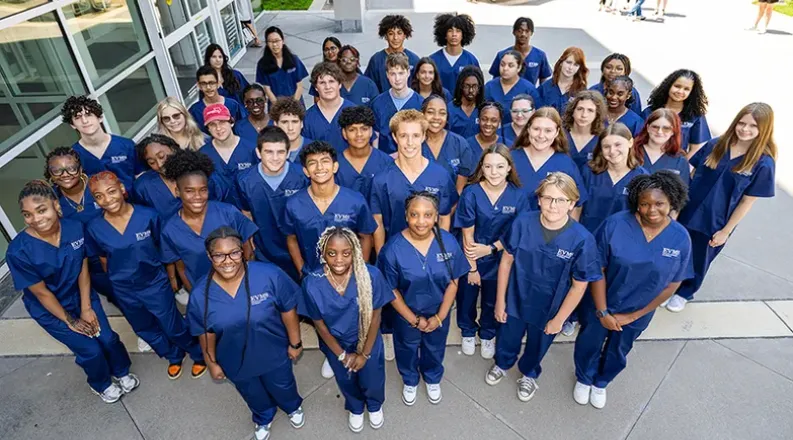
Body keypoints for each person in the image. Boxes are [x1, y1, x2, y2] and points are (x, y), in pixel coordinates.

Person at [7, 180, 138, 403]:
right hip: (49, 309)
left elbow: (82, 266)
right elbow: (42, 293)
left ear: (56, 206)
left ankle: (121, 371)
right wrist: (71, 321)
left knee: (107, 338)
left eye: (41, 210)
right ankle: (101, 384)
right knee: (90, 350)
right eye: (27, 215)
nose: (36, 219)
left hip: (80, 295)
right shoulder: (18, 251)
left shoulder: (74, 228)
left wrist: (86, 307)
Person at [573, 171, 692, 409]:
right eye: (644, 203)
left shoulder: (680, 238)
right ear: (636, 202)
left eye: (659, 203)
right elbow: (598, 268)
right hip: (601, 302)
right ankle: (584, 378)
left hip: (639, 311)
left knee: (619, 349)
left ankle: (602, 382)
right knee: (590, 342)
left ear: (671, 202)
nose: (651, 210)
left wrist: (633, 316)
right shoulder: (615, 224)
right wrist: (603, 311)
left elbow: (673, 284)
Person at [487, 172, 601, 401]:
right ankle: (502, 363)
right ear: (539, 199)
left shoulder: (582, 239)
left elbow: (579, 286)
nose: (553, 205)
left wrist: (560, 319)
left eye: (561, 200)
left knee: (539, 343)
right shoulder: (522, 223)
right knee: (507, 336)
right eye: (548, 198)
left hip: (550, 306)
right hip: (516, 298)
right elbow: (506, 261)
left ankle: (529, 373)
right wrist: (500, 301)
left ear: (572, 203)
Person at [187, 227, 305, 440]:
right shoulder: (199, 295)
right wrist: (211, 362)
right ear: (209, 257)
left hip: (274, 352)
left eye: (234, 252)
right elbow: (205, 333)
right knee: (252, 393)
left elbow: (288, 308)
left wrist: (295, 343)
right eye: (219, 255)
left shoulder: (268, 274)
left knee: (283, 385)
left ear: (242, 251)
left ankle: (292, 407)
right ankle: (263, 416)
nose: (228, 261)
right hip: (235, 360)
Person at [86, 171, 206, 379]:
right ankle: (173, 355)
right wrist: (117, 281)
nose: (107, 199)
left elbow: (165, 249)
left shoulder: (148, 216)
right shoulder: (94, 227)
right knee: (144, 328)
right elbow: (103, 259)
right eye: (99, 196)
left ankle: (198, 353)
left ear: (122, 189)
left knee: (172, 325)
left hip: (154, 283)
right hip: (124, 289)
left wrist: (171, 279)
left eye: (112, 191)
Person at [370, 110, 458, 362]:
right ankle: (390, 336)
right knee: (396, 301)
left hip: (431, 252)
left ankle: (431, 346)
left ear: (424, 136)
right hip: (396, 255)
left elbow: (444, 215)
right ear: (394, 138)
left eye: (415, 135)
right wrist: (383, 256)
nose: (409, 142)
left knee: (432, 298)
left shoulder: (439, 175)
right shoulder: (382, 179)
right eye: (403, 136)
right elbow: (377, 221)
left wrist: (441, 251)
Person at [672, 103, 777, 312]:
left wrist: (725, 231)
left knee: (700, 258)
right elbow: (693, 174)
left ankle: (684, 292)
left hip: (716, 221)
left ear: (764, 129)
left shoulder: (763, 163)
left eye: (753, 126)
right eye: (742, 123)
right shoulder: (716, 145)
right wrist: (677, 207)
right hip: (688, 209)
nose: (745, 129)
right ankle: (668, 287)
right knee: (676, 250)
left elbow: (747, 201)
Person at [379, 192, 470, 405]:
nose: (421, 221)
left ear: (436, 216)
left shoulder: (448, 242)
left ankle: (432, 377)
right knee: (406, 347)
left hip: (439, 310)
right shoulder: (392, 249)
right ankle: (410, 379)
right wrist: (414, 320)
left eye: (428, 215)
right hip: (406, 314)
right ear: (406, 216)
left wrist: (440, 317)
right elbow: (391, 290)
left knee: (435, 346)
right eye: (414, 214)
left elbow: (454, 282)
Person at [301, 227, 393, 432]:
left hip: (368, 339)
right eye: (331, 253)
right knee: (346, 378)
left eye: (346, 253)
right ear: (322, 253)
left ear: (355, 252)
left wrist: (365, 354)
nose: (339, 260)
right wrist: (342, 355)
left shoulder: (371, 276)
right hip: (336, 343)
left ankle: (375, 405)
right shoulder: (312, 284)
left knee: (373, 377)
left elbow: (376, 316)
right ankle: (356, 407)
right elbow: (320, 325)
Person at [454, 145, 528, 358]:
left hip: (501, 259)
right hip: (471, 257)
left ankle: (487, 333)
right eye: (488, 166)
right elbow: (467, 234)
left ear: (509, 168)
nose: (494, 172)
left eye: (500, 166)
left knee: (492, 299)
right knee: (466, 298)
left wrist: (491, 248)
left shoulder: (519, 196)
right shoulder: (471, 193)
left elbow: (518, 232)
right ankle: (468, 331)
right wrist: (472, 268)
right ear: (481, 168)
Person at [160, 149, 258, 292]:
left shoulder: (228, 213)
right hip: (205, 292)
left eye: (203, 190)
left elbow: (248, 251)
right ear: (177, 192)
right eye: (189, 191)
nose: (197, 196)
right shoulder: (170, 230)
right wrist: (195, 295)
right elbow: (182, 269)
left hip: (241, 287)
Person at [282, 141, 378, 275]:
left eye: (325, 161)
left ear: (335, 167)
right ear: (306, 171)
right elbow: (291, 238)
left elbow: (366, 237)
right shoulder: (294, 204)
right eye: (312, 163)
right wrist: (302, 270)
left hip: (348, 275)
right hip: (313, 275)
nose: (319, 167)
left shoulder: (355, 201)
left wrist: (359, 270)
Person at [44, 147, 115, 303]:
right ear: (50, 174)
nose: (65, 174)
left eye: (71, 168)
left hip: (118, 252)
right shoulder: (50, 201)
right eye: (57, 170)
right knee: (118, 298)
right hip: (89, 263)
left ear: (80, 168)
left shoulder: (98, 185)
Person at [237, 126, 307, 281]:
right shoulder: (245, 180)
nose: (275, 158)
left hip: (300, 249)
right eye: (269, 152)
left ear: (288, 153)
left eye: (280, 152)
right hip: (265, 251)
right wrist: (250, 244)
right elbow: (246, 214)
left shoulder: (302, 176)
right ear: (258, 153)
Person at [133, 134, 229, 220]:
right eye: (152, 162)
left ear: (173, 149)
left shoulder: (200, 171)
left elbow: (225, 201)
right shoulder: (143, 186)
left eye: (162, 156)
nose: (159, 164)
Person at [512, 107, 587, 213]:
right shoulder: (511, 159)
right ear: (528, 129)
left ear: (557, 132)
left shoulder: (565, 164)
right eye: (536, 129)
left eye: (548, 130)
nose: (541, 135)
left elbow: (577, 204)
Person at [580, 123, 648, 233]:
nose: (612, 151)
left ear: (630, 142)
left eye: (618, 145)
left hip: (621, 238)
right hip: (588, 236)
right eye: (606, 146)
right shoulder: (589, 172)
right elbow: (577, 207)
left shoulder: (641, 178)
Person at [61, 95, 140, 189]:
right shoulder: (72, 156)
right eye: (77, 117)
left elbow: (141, 175)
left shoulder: (127, 145)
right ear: (72, 125)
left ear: (100, 118)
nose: (84, 121)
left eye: (88, 115)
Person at [199, 103, 258, 208]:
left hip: (252, 209)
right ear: (208, 129)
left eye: (222, 122)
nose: (218, 128)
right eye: (212, 124)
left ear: (231, 122)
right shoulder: (202, 155)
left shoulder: (251, 149)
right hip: (220, 212)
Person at [643, 69, 710, 156]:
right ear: (668, 86)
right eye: (677, 86)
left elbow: (696, 149)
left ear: (691, 92)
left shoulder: (695, 117)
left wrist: (682, 164)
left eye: (686, 89)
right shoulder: (650, 112)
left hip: (676, 162)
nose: (680, 91)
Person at [370, 52, 424, 155]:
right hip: (385, 159)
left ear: (408, 73)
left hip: (413, 158)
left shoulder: (420, 104)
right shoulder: (377, 103)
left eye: (401, 73)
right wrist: (377, 160)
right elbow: (375, 136)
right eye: (393, 74)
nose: (397, 79)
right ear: (387, 75)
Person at [336, 106, 394, 200]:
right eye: (352, 130)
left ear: (371, 131)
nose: (359, 134)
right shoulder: (335, 165)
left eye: (364, 129)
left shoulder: (387, 163)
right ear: (344, 133)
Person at [422, 94, 477, 193]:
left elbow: (459, 190)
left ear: (447, 117)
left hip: (451, 202)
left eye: (442, 113)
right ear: (422, 114)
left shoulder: (460, 144)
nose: (436, 117)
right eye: (430, 112)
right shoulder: (414, 143)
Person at [303, 62, 356, 152]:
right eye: (322, 83)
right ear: (316, 87)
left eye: (331, 81)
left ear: (340, 84)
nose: (327, 87)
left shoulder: (354, 112)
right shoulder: (307, 118)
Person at [488, 17, 552, 87]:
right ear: (514, 32)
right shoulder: (502, 55)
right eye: (520, 31)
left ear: (531, 33)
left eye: (527, 31)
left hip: (529, 93)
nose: (523, 34)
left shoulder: (540, 56)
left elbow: (543, 80)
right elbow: (495, 80)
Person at [364, 15, 421, 94]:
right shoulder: (376, 60)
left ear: (404, 35)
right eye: (391, 33)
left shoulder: (414, 59)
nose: (395, 38)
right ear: (385, 36)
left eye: (399, 33)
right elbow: (369, 87)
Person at [632, 108, 690, 186]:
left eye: (666, 128)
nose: (659, 132)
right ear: (648, 127)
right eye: (655, 127)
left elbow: (682, 191)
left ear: (673, 131)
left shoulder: (680, 161)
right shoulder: (632, 152)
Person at [484, 50, 540, 125]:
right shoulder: (489, 86)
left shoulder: (529, 89)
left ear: (519, 67)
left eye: (510, 65)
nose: (505, 68)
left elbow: (537, 114)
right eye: (502, 64)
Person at [256, 26, 308, 107]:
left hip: (296, 105)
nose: (274, 44)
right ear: (267, 43)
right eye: (270, 41)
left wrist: (293, 105)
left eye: (277, 41)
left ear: (283, 41)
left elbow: (299, 86)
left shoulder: (294, 60)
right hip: (276, 107)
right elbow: (267, 89)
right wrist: (279, 107)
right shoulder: (262, 64)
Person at [429, 13, 480, 91]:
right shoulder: (433, 60)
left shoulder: (471, 60)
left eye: (458, 31)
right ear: (444, 34)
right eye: (450, 31)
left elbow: (478, 87)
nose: (454, 34)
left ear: (463, 34)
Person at [189, 66, 247, 133]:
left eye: (211, 83)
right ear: (199, 86)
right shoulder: (194, 111)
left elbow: (243, 127)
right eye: (204, 84)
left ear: (218, 83)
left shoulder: (233, 105)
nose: (208, 87)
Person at [538, 47, 589, 116]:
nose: (570, 68)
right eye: (568, 62)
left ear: (579, 68)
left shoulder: (582, 91)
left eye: (576, 65)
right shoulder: (545, 88)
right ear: (561, 62)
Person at [563, 90, 608, 169]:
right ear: (572, 111)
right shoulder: (560, 134)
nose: (584, 115)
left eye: (590, 110)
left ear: (597, 114)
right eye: (580, 109)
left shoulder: (602, 139)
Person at [449, 66, 485, 139]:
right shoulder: (450, 109)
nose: (471, 90)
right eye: (467, 86)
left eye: (474, 86)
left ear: (479, 88)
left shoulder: (484, 109)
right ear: (461, 86)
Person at [270, 97, 311, 163]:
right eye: (284, 122)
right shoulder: (268, 150)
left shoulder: (315, 149)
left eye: (295, 122)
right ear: (276, 124)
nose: (290, 128)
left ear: (301, 124)